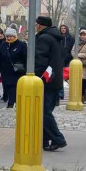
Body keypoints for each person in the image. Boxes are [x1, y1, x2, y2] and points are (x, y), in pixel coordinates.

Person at [34, 16, 66, 151]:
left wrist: (34, 76)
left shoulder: (44, 38)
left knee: (43, 112)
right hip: (55, 79)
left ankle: (58, 139)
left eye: (37, 24)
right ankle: (45, 140)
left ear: (41, 25)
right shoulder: (56, 37)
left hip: (46, 81)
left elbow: (40, 60)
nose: (36, 26)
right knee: (46, 111)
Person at [0, 27, 27, 108]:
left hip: (18, 71)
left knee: (15, 86)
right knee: (8, 86)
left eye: (11, 36)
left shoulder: (21, 45)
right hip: (6, 71)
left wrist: (26, 69)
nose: (9, 38)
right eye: (8, 36)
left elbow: (26, 58)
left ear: (15, 36)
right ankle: (12, 101)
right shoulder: (3, 45)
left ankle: (12, 102)